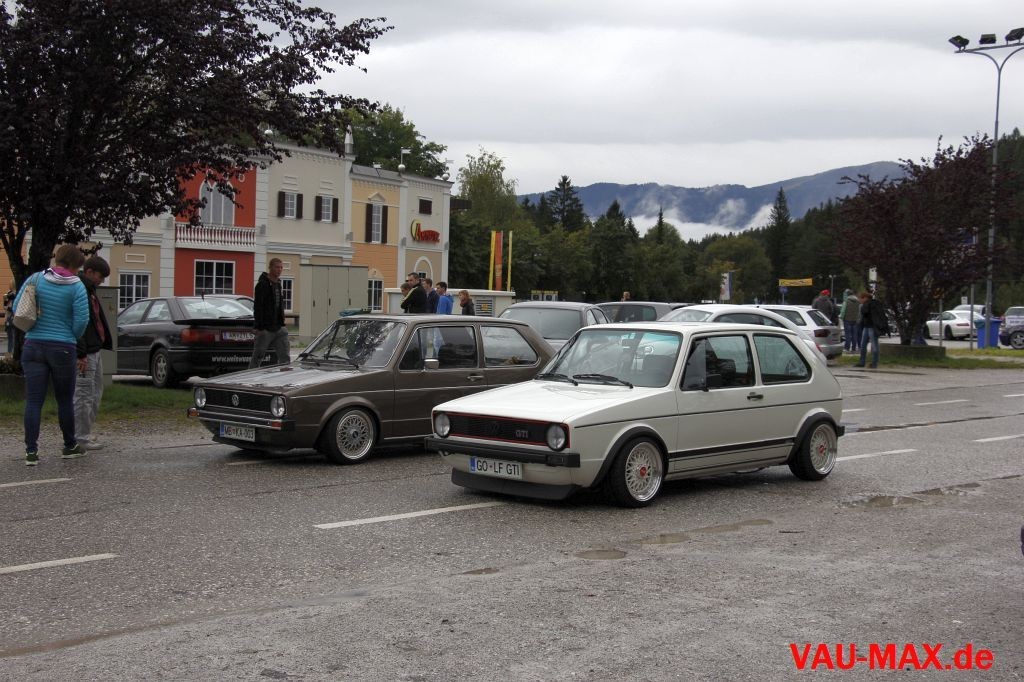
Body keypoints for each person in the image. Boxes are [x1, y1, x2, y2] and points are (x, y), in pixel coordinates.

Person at [15, 244, 89, 465]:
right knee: (64, 400)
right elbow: (82, 320)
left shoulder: (36, 279)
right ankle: (69, 445)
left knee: (33, 400)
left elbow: (19, 305)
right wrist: (71, 335)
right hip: (63, 347)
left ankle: (31, 451)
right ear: (74, 265)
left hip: (33, 345)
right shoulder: (77, 286)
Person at [74, 256, 112, 451]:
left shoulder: (90, 291)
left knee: (95, 392)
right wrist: (80, 353)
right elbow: (79, 323)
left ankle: (85, 432)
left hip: (94, 349)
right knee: (84, 394)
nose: (102, 281)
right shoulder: (80, 290)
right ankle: (80, 437)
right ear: (89, 272)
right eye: (100, 276)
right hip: (86, 352)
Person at [249, 258, 290, 368]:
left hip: (279, 327)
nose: (279, 270)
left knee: (285, 358)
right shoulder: (262, 284)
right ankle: (251, 376)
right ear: (270, 268)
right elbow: (258, 306)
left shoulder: (278, 284)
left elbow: (279, 304)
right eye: (277, 267)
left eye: (281, 267)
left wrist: (282, 320)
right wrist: (259, 326)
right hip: (266, 328)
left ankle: (285, 377)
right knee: (257, 357)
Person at [854, 290, 886, 369]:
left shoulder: (870, 305)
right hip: (867, 326)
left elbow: (865, 314)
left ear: (865, 298)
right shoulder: (869, 304)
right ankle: (863, 362)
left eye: (860, 298)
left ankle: (873, 363)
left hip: (872, 327)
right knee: (863, 344)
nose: (859, 300)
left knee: (874, 345)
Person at [3, 280, 14, 354]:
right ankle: (10, 353)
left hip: (11, 318)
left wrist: (7, 307)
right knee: (11, 338)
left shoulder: (14, 294)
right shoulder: (8, 294)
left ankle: (11, 353)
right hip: (10, 318)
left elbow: (6, 307)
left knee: (12, 338)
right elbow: (5, 306)